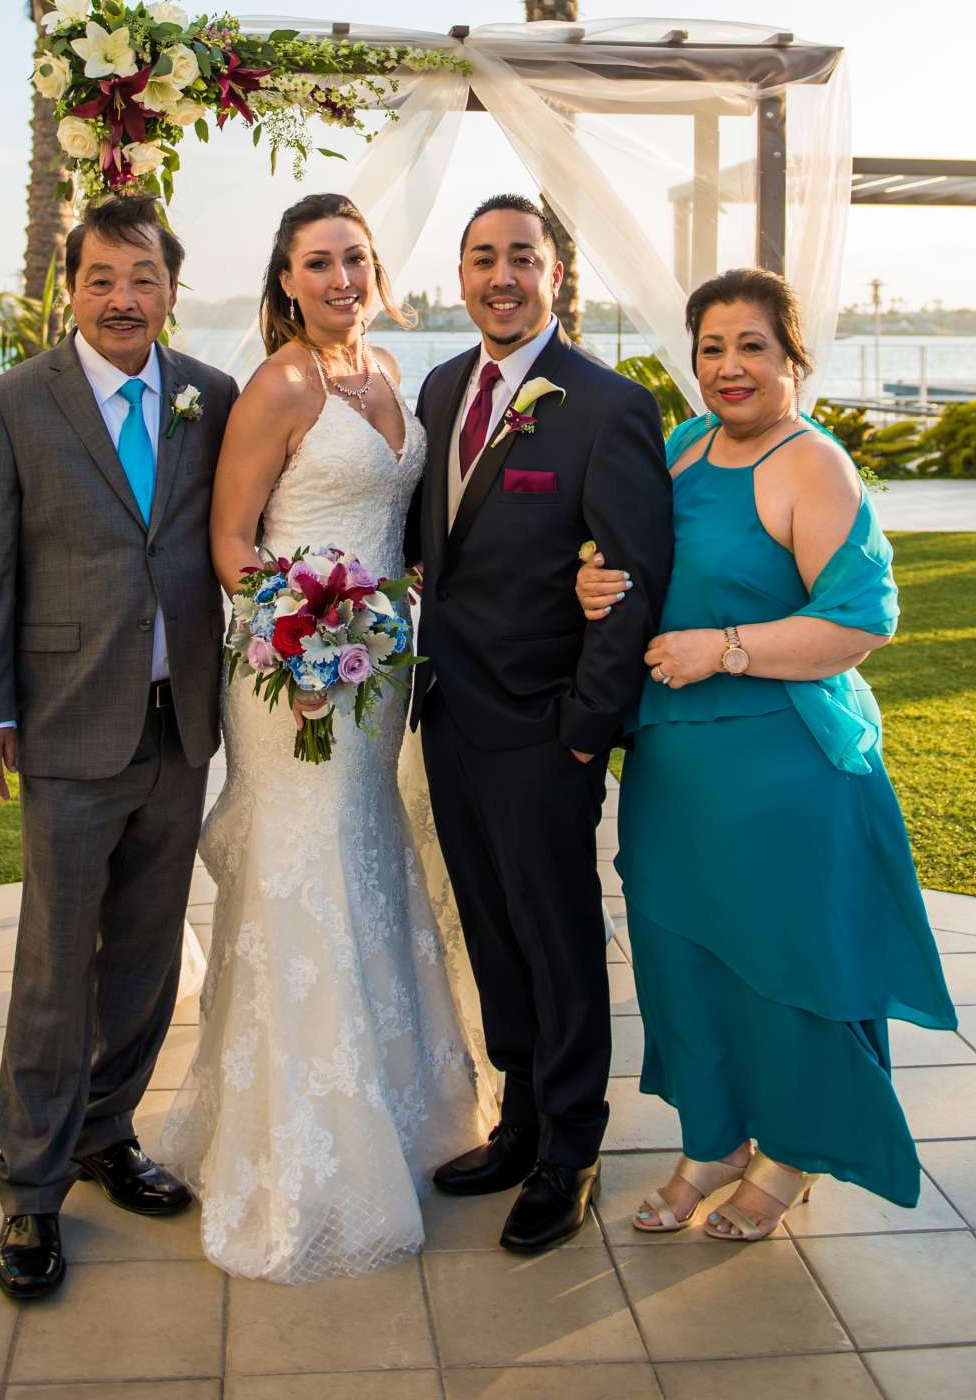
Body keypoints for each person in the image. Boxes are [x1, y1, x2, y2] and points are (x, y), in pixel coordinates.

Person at [575, 266, 955, 1240]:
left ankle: (787, 1158)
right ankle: (714, 1142)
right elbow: (642, 570)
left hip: (782, 769)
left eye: (753, 347)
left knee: (783, 969)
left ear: (793, 357)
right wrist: (595, 589)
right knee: (682, 960)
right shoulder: (683, 446)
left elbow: (859, 624)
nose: (731, 367)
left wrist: (728, 650)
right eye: (712, 349)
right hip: (675, 772)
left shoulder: (812, 464)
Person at [160, 193, 491, 1283]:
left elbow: (402, 526)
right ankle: (300, 1149)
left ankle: (392, 1112)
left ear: (378, 270)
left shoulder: (391, 372)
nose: (341, 278)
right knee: (307, 872)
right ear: (287, 280)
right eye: (318, 263)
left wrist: (379, 620)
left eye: (355, 258)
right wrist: (299, 637)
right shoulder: (282, 383)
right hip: (293, 681)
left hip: (378, 670)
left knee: (367, 861)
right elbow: (232, 540)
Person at [0, 194, 237, 1301]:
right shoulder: (10, 404)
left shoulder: (210, 400)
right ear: (69, 289)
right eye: (102, 280)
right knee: (54, 963)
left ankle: (106, 1134)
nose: (124, 300)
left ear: (173, 289)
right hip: (69, 724)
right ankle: (29, 1189)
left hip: (181, 727)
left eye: (145, 280)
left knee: (148, 957)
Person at [409, 195, 673, 1254]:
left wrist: (582, 730)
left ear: (558, 272)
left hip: (544, 731)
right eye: (483, 258)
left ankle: (571, 1146)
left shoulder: (610, 407)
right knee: (493, 932)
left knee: (560, 944)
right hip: (451, 719)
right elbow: (434, 546)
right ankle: (517, 1123)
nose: (501, 276)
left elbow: (637, 578)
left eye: (523, 256)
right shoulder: (437, 388)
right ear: (461, 275)